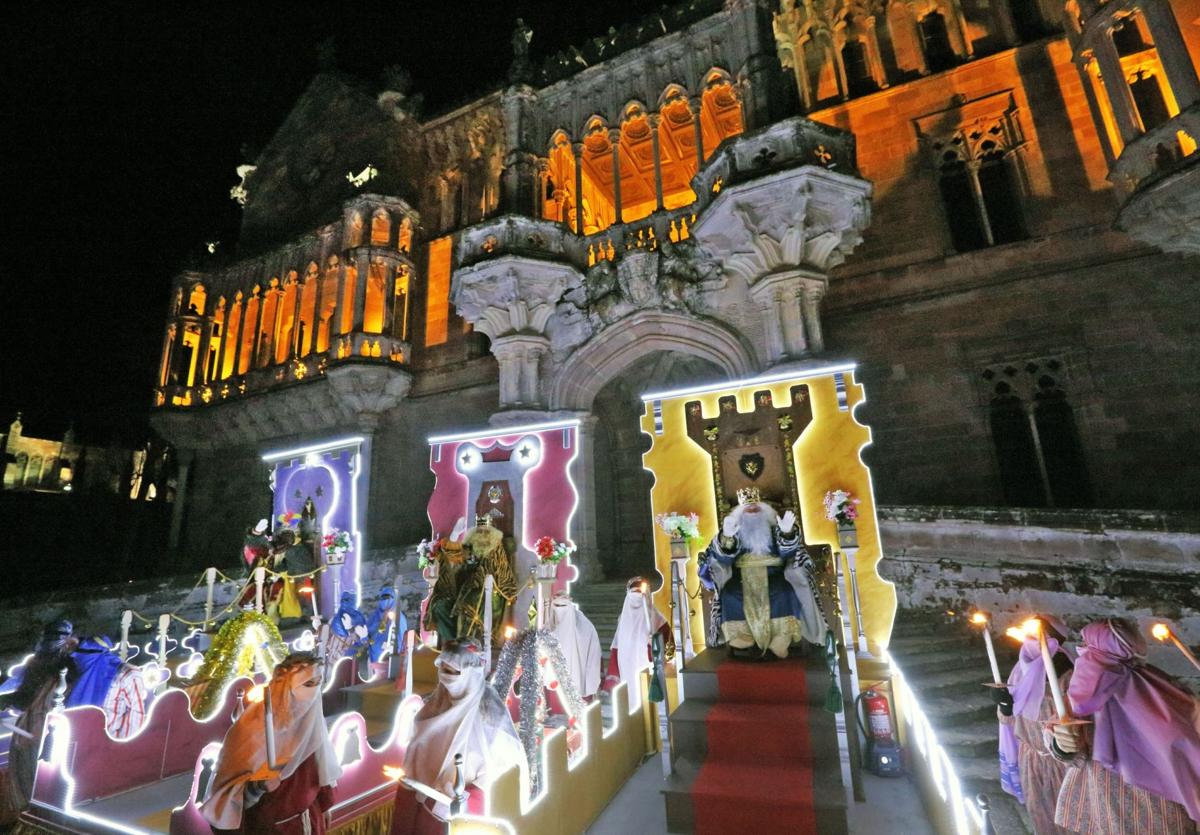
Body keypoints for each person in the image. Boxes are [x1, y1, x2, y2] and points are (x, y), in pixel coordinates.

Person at [1051, 618, 1199, 834]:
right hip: (1111, 801)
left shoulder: (1156, 687)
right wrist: (1062, 743)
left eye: (1087, 647)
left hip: (1153, 807)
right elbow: (1067, 745)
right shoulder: (1081, 692)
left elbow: (1185, 736)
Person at [202, 652, 341, 835]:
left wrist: (324, 806)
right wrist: (257, 787)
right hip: (270, 827)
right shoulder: (252, 728)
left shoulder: (311, 719)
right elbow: (226, 795)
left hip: (309, 821)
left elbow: (320, 763)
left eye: (318, 682)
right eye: (307, 684)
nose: (314, 691)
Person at [390, 640, 522, 832]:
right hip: (424, 812)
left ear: (470, 673)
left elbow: (504, 768)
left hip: (465, 819)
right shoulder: (431, 711)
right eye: (443, 671)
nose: (447, 678)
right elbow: (414, 760)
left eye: (453, 672)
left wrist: (469, 798)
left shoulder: (490, 714)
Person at [699, 486, 825, 658]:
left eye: (756, 508)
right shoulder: (734, 529)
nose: (752, 511)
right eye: (748, 509)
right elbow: (724, 559)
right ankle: (740, 637)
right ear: (740, 512)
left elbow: (788, 553)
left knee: (785, 591)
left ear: (764, 510)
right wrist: (726, 537)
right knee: (730, 594)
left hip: (773, 573)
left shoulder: (774, 528)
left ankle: (781, 638)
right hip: (741, 577)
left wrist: (787, 533)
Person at [994, 615, 1074, 834]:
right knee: (1041, 816)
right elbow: (1010, 719)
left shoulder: (1067, 674)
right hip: (1031, 759)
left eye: (1037, 633)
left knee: (1068, 819)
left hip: (1062, 763)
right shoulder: (1020, 671)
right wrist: (1005, 708)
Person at [0, 620, 76, 825]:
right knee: (29, 770)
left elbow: (26, 696)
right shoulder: (56, 662)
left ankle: (31, 814)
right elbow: (25, 695)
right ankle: (29, 813)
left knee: (33, 772)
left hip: (47, 726)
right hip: (40, 724)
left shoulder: (57, 664)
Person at [425, 516, 517, 645]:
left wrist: (478, 576)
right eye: (479, 531)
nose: (482, 534)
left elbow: (500, 572)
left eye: (486, 531)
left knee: (471, 599)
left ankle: (467, 642)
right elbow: (454, 559)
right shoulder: (469, 546)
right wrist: (454, 535)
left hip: (489, 590)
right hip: (464, 586)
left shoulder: (496, 548)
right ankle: (453, 639)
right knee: (440, 603)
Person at [602, 579, 674, 707]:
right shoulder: (623, 620)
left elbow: (669, 648)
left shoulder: (657, 620)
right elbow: (617, 647)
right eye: (633, 594)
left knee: (646, 697)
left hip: (647, 665)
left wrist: (656, 643)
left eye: (639, 593)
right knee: (632, 697)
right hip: (627, 665)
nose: (636, 598)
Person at [546, 591, 601, 699]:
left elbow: (593, 654)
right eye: (557, 605)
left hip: (577, 681)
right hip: (554, 686)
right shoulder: (549, 628)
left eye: (563, 605)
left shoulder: (585, 627)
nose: (560, 609)